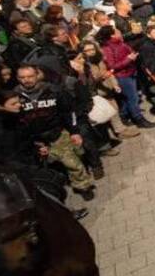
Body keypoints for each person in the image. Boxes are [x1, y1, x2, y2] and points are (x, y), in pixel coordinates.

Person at [15, 63, 96, 200]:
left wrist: (74, 131)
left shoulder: (54, 91)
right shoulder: (15, 97)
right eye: (22, 77)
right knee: (45, 170)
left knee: (72, 163)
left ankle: (83, 186)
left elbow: (69, 112)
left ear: (37, 75)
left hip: (57, 134)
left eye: (30, 76)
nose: (26, 80)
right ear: (17, 78)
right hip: (34, 140)